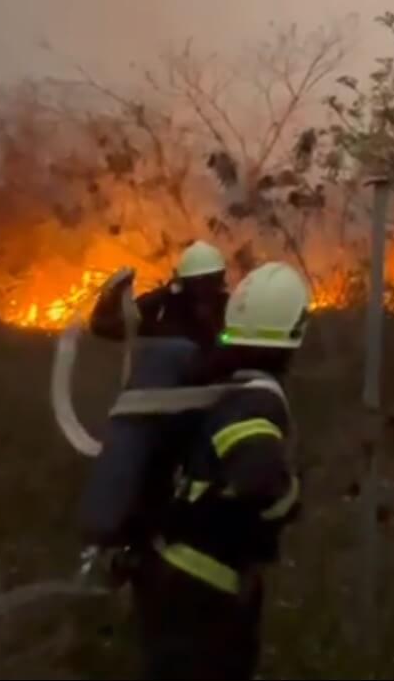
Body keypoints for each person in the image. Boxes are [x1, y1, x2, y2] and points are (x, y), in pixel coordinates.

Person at [130, 261, 310, 681]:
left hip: (170, 575)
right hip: (201, 593)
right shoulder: (256, 398)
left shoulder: (221, 377)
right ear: (294, 333)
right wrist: (292, 495)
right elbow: (259, 479)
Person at [89, 240, 231, 347]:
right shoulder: (164, 310)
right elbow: (105, 326)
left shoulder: (229, 309)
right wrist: (165, 292)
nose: (205, 290)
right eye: (198, 282)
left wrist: (214, 330)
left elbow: (233, 339)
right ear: (184, 283)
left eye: (211, 281)